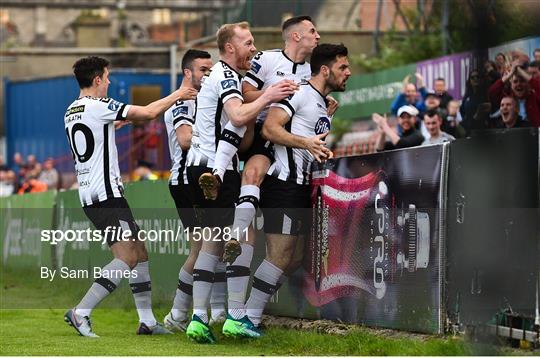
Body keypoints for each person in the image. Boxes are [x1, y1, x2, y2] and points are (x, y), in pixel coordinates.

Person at [63, 56, 197, 337]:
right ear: (97, 79)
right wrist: (179, 94)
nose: (110, 82)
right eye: (108, 77)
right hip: (106, 195)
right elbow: (149, 112)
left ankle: (147, 321)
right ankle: (81, 311)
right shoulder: (99, 106)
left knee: (140, 252)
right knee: (127, 257)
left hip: (93, 193)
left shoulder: (72, 109)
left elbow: (93, 133)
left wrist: (113, 126)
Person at [184, 22, 295, 344]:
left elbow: (233, 130)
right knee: (243, 236)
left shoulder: (217, 76)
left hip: (199, 167)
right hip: (216, 170)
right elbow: (238, 114)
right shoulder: (228, 76)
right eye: (248, 42)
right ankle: (235, 316)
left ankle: (198, 319)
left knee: (212, 243)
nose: (253, 48)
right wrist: (270, 95)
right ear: (230, 48)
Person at [243, 43, 350, 334]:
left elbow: (310, 137)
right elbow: (270, 128)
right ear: (325, 69)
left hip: (301, 186)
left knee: (294, 258)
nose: (348, 72)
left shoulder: (320, 102)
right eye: (343, 67)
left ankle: (246, 311)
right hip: (283, 184)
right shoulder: (300, 92)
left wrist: (321, 131)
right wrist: (306, 143)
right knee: (280, 255)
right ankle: (245, 317)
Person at [160, 49, 227, 332]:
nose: (208, 74)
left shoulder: (203, 99)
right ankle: (179, 315)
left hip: (201, 179)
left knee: (218, 244)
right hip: (187, 183)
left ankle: (216, 313)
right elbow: (186, 139)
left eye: (211, 69)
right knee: (202, 248)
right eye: (203, 69)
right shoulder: (183, 102)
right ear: (188, 72)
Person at [488, 60, 540, 127]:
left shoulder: (535, 97)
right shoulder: (506, 99)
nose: (518, 84)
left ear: (528, 83)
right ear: (511, 85)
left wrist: (521, 72)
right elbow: (491, 92)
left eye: (522, 81)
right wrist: (509, 75)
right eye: (515, 81)